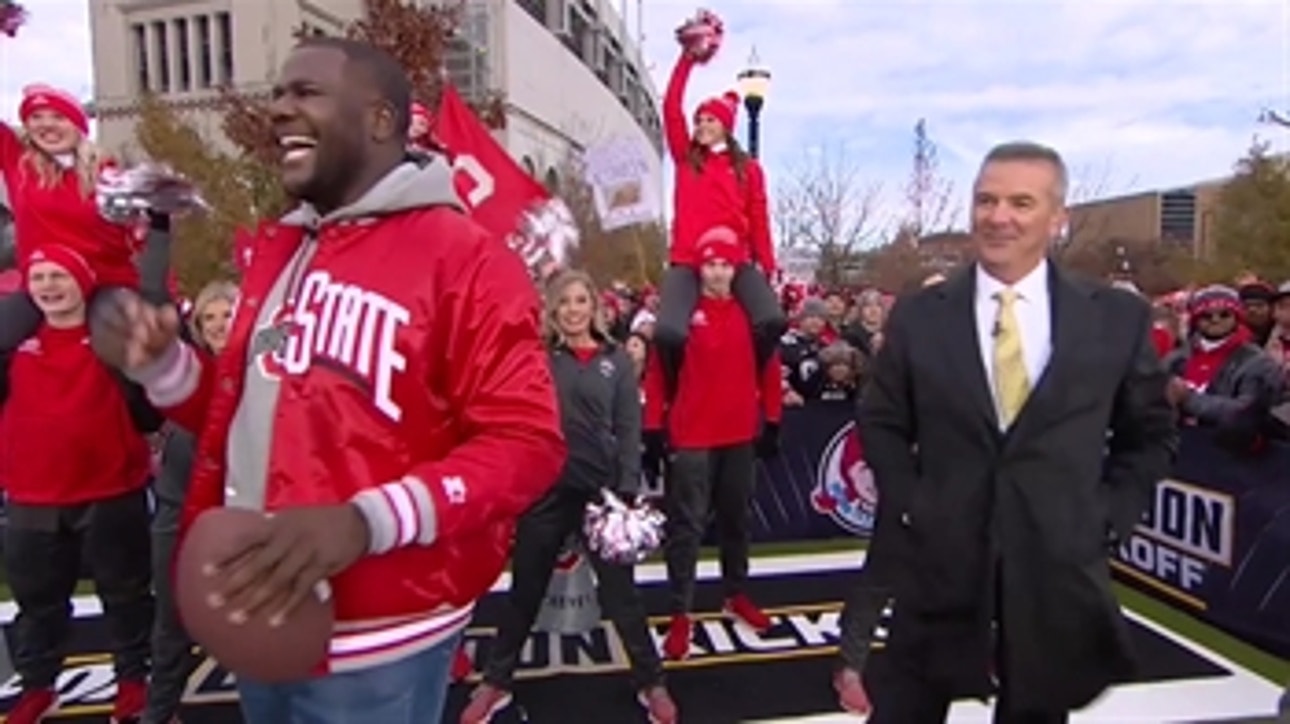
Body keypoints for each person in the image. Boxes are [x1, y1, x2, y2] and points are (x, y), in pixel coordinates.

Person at [94, 37, 566, 724]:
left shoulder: (469, 259)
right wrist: (166, 367)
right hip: (262, 608)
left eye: (306, 93)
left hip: (382, 640)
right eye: (278, 94)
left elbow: (528, 445)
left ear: (380, 119)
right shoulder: (282, 249)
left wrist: (365, 522)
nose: (279, 110)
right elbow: (253, 415)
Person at [854, 141, 1177, 723]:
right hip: (940, 561)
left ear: (1058, 219)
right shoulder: (922, 315)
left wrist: (1105, 517)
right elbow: (882, 420)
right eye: (986, 200)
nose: (998, 216)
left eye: (1021, 203)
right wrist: (914, 504)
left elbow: (1150, 434)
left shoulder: (1114, 317)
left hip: (1054, 565)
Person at [461, 270, 677, 724]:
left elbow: (629, 427)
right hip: (547, 491)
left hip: (602, 496)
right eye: (564, 302)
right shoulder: (538, 358)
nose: (573, 310)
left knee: (622, 596)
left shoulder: (617, 360)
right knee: (525, 590)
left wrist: (626, 489)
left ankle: (651, 681)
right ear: (553, 310)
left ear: (594, 306)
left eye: (581, 300)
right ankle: (496, 682)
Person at [0, 244, 156, 724]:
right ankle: (38, 687)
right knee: (37, 603)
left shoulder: (111, 337)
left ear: (83, 282)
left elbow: (148, 409)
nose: (49, 286)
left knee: (125, 594)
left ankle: (133, 682)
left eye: (59, 276)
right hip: (31, 494)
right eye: (39, 277)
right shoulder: (12, 342)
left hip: (111, 490)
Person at [643, 231, 783, 662]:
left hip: (739, 434)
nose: (718, 273)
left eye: (725, 265)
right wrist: (653, 428)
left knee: (736, 521)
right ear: (699, 270)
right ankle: (680, 612)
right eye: (710, 265)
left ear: (736, 270)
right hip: (692, 436)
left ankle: (735, 592)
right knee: (686, 528)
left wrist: (773, 420)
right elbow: (657, 374)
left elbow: (769, 369)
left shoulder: (750, 316)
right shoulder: (682, 316)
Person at [654, 31, 785, 395]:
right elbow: (671, 106)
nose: (701, 126)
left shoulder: (749, 170)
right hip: (687, 261)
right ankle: (677, 388)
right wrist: (687, 59)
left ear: (726, 125)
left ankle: (749, 376)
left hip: (735, 261)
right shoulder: (686, 159)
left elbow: (759, 218)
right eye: (699, 120)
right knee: (668, 332)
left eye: (710, 120)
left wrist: (767, 265)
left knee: (772, 320)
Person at [0, 83, 172, 352]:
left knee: (128, 349)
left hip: (103, 285)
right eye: (36, 117)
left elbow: (139, 240)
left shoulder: (108, 175)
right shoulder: (19, 163)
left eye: (58, 117)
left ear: (77, 124)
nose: (47, 125)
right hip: (44, 286)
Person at [143, 279, 237, 724]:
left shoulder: (268, 377)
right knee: (171, 622)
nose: (218, 325)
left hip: (244, 518)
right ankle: (159, 713)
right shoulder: (190, 375)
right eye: (208, 318)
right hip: (178, 514)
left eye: (227, 314)